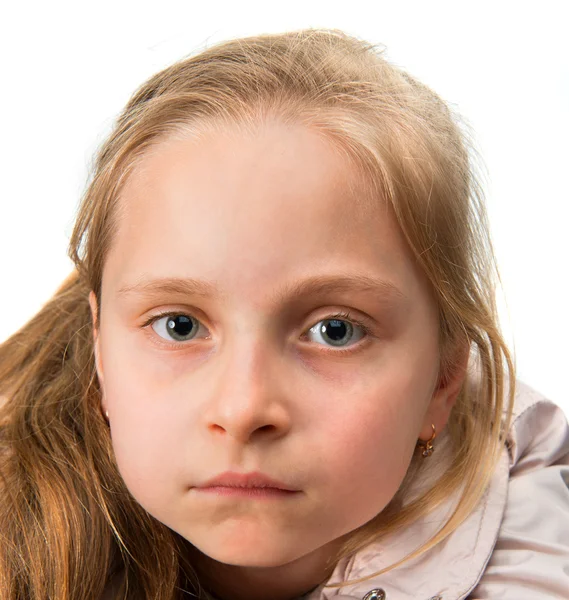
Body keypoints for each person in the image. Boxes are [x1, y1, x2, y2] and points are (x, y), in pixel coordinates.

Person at [0, 28, 567, 600]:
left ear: (443, 377)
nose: (243, 409)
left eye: (335, 331)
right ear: (100, 352)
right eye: (180, 325)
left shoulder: (534, 556)